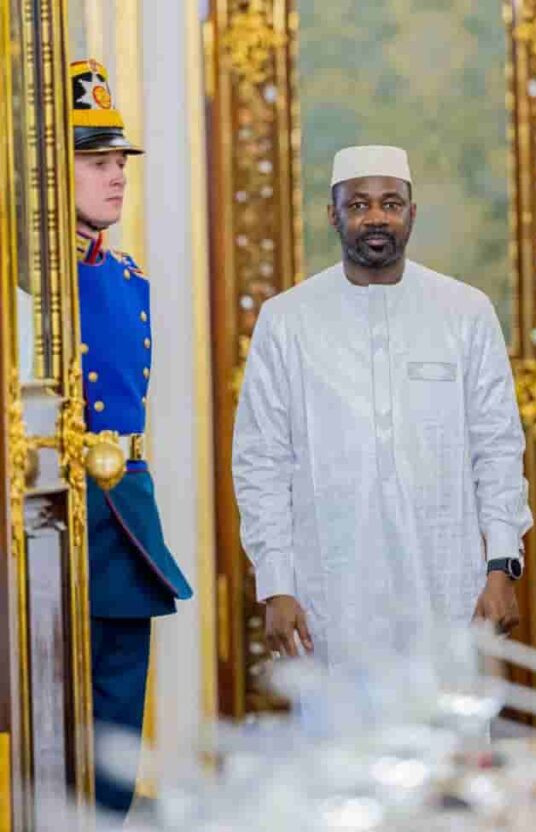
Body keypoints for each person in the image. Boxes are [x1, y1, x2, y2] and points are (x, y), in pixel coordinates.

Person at [233, 145, 532, 667]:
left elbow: (498, 447)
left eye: (391, 204)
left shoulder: (465, 311)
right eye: (358, 205)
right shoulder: (286, 319)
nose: (376, 217)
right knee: (336, 719)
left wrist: (502, 566)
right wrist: (276, 585)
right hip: (328, 591)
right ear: (333, 215)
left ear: (411, 213)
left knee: (448, 715)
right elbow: (262, 461)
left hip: (448, 586)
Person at [71, 59, 193, 819]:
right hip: (51, 512)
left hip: (123, 509)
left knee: (118, 709)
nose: (117, 175)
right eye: (96, 162)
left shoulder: (126, 276)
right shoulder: (30, 285)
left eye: (120, 161)